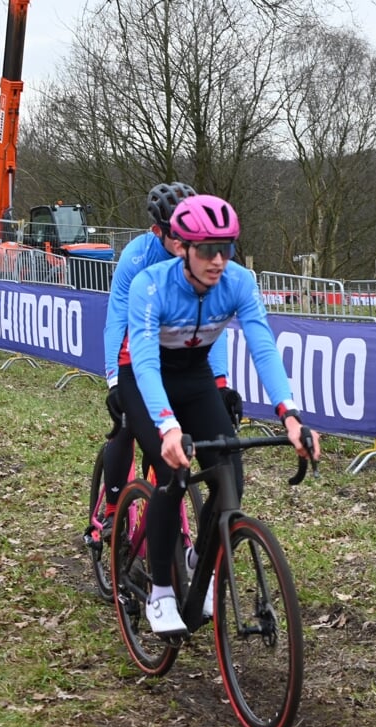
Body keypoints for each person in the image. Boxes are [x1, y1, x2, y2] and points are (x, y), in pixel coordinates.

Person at [120, 194, 319, 634]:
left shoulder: (240, 282)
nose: (218, 260)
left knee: (230, 472)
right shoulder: (151, 285)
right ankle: (160, 593)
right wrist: (168, 426)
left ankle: (201, 559)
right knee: (171, 472)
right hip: (145, 378)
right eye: (207, 250)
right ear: (183, 248)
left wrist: (290, 414)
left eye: (226, 249)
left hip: (193, 376)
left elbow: (263, 346)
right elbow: (147, 363)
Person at [92, 182, 241, 543]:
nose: (186, 239)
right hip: (138, 354)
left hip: (186, 362)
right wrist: (114, 379)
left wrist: (220, 383)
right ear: (156, 230)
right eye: (176, 232)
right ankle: (113, 512)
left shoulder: (201, 259)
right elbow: (117, 320)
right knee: (126, 427)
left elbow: (210, 328)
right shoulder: (138, 258)